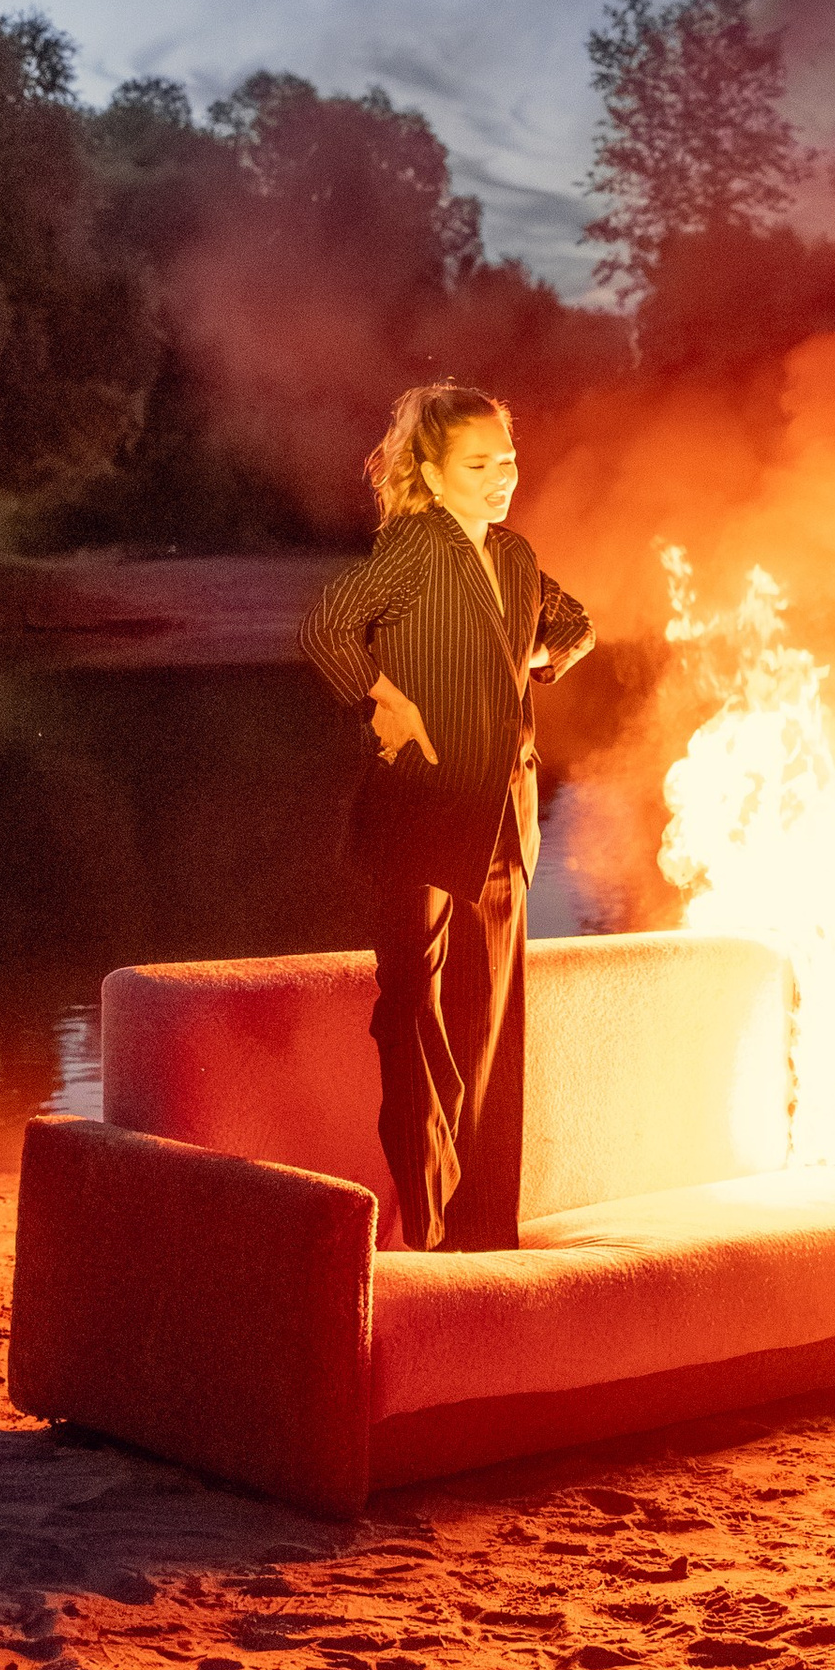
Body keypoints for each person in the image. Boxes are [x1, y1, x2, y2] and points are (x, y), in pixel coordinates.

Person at [300, 382, 593, 1252]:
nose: (503, 476)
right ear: (429, 471)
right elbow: (326, 629)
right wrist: (382, 697)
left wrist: (533, 656)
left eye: (508, 458)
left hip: (505, 816)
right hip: (420, 807)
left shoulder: (512, 555)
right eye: (479, 464)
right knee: (412, 1015)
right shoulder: (417, 546)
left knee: (492, 1030)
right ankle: (425, 1225)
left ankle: (483, 1234)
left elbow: (573, 623)